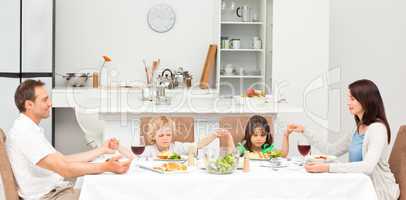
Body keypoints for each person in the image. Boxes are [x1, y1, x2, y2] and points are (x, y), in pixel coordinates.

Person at [6, 79, 132, 200]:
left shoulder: (28, 128)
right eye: (44, 100)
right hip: (50, 197)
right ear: (29, 105)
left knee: (110, 191)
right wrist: (106, 167)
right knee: (113, 194)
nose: (50, 103)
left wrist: (102, 150)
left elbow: (64, 161)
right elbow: (65, 169)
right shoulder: (25, 133)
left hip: (57, 192)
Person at [287, 79, 399, 200]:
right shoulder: (357, 130)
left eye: (352, 99)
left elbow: (368, 166)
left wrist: (327, 168)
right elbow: (331, 150)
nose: (348, 103)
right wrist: (305, 130)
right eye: (348, 98)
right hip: (357, 187)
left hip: (377, 192)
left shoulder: (377, 129)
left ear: (366, 100)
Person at [139, 116, 234, 158]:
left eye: (168, 134)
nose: (165, 138)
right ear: (153, 136)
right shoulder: (148, 150)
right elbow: (134, 157)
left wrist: (214, 135)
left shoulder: (177, 147)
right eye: (161, 135)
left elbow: (198, 145)